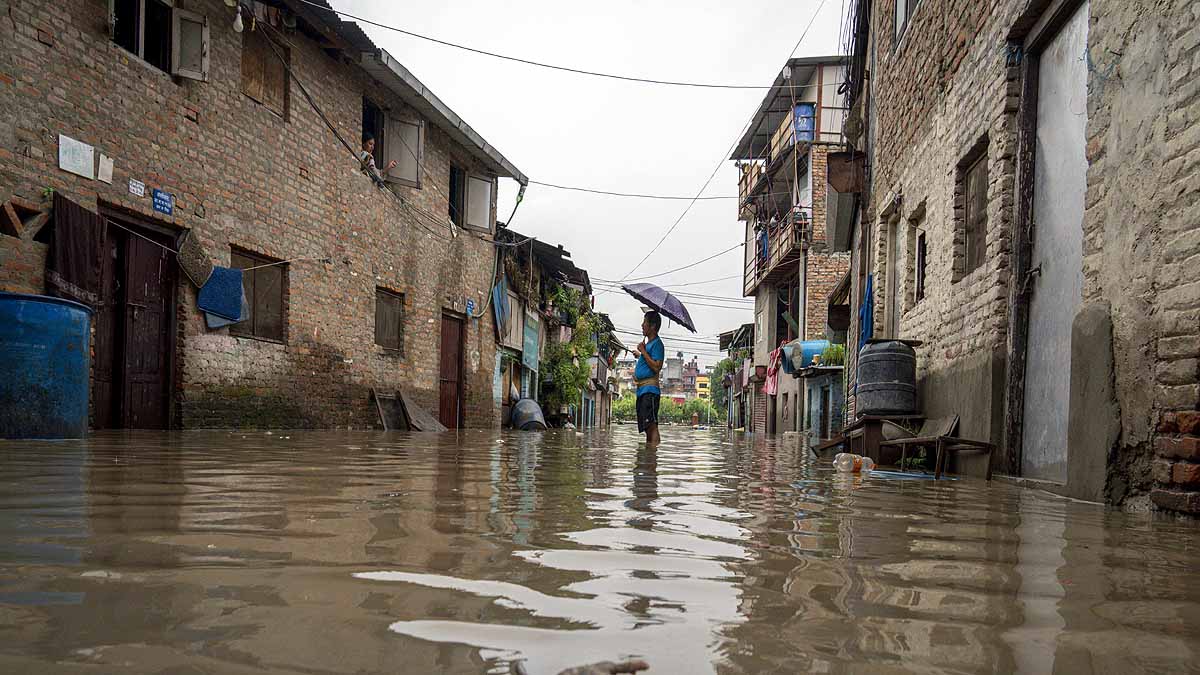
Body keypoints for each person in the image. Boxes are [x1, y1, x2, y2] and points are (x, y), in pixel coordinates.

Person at [634, 310, 665, 445]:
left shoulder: (657, 344)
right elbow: (648, 361)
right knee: (647, 427)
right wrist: (640, 354)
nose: (642, 325)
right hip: (642, 391)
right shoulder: (649, 344)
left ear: (652, 326)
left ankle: (653, 457)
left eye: (644, 322)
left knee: (651, 425)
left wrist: (643, 351)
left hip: (650, 391)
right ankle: (649, 457)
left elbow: (657, 366)